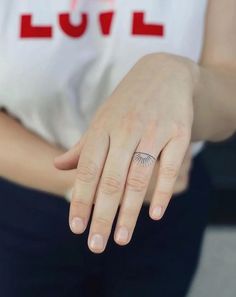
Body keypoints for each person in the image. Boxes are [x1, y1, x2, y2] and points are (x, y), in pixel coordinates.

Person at [0, 0, 235, 296]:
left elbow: (229, 89)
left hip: (161, 200)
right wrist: (96, 181)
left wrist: (181, 76)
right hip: (27, 189)